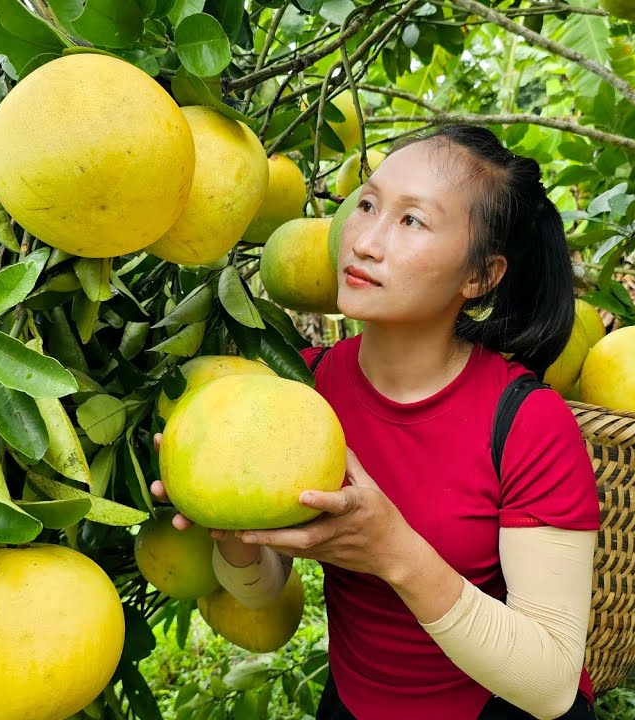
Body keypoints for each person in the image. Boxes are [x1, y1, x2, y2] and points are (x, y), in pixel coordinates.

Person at [150, 124, 601, 720]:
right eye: (366, 205)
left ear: (480, 277)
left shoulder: (527, 422)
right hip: (355, 705)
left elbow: (549, 683)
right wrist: (234, 534)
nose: (363, 241)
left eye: (412, 220)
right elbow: (261, 587)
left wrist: (393, 551)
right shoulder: (302, 393)